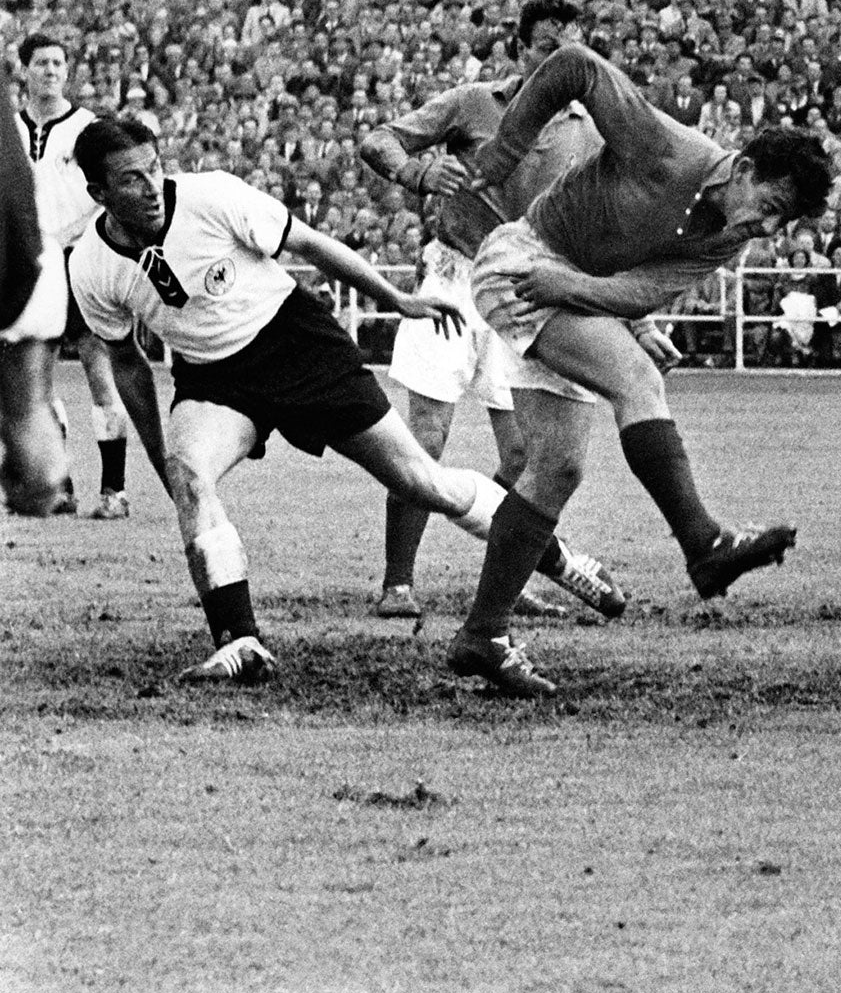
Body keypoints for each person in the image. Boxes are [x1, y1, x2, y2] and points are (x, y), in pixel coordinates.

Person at [66, 117, 512, 685]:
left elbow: (309, 243)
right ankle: (239, 641)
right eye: (131, 180)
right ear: (98, 194)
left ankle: (556, 555)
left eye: (154, 168)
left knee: (421, 483)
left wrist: (396, 298)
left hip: (296, 344)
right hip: (214, 378)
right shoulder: (89, 264)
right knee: (189, 473)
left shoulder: (213, 195)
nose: (152, 186)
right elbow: (126, 360)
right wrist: (160, 457)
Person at [453, 42, 833, 697]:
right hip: (521, 259)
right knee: (637, 380)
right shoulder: (668, 150)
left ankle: (482, 637)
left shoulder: (727, 235)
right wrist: (507, 148)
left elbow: (637, 295)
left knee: (556, 470)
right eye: (770, 205)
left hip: (561, 284)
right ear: (741, 169)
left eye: (784, 221)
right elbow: (574, 64)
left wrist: (567, 287)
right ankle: (704, 544)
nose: (767, 228)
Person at [358, 0, 625, 623]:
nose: (559, 62)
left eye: (572, 51)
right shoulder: (476, 103)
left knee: (529, 459)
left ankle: (505, 584)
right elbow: (380, 139)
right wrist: (418, 172)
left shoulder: (591, 126)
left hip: (523, 293)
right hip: (453, 282)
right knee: (423, 438)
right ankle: (398, 584)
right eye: (546, 48)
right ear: (520, 49)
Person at [10, 33, 131, 518]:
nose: (52, 70)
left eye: (59, 62)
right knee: (38, 377)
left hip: (81, 256)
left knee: (99, 366)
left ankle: (115, 490)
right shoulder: (10, 129)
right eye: (41, 62)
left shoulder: (87, 128)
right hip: (31, 261)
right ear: (24, 70)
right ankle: (59, 488)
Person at [1, 66, 66, 515]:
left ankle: (37, 480)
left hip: (24, 256)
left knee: (26, 407)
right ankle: (40, 482)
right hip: (36, 261)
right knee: (27, 404)